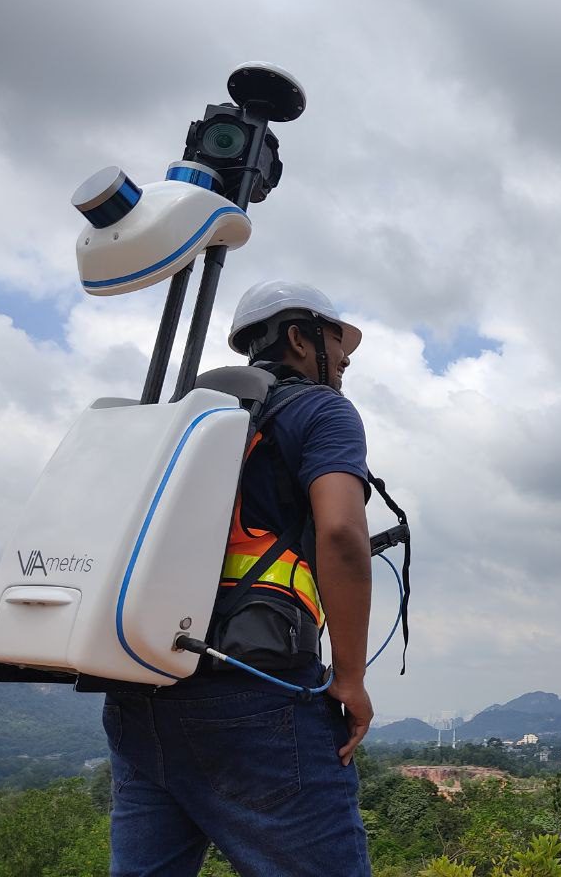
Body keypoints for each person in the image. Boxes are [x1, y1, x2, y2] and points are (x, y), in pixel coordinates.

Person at [103, 280, 375, 876]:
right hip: (256, 694)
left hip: (140, 692)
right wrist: (351, 678)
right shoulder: (319, 409)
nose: (347, 354)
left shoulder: (185, 419)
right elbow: (341, 535)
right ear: (301, 339)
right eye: (336, 337)